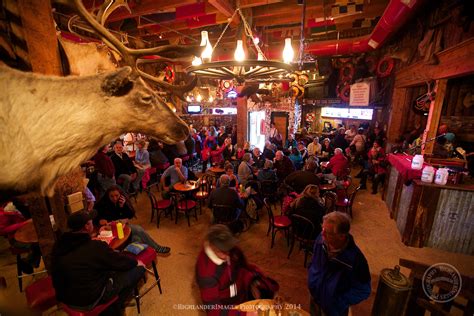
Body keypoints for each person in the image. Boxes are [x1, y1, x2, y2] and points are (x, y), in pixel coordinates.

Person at [51, 211, 146, 314]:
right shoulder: (94, 246)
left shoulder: (59, 245)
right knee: (138, 269)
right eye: (91, 222)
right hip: (88, 301)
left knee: (107, 267)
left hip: (66, 300)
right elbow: (120, 262)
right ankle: (118, 304)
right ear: (87, 226)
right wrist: (136, 262)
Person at [196, 225, 275, 315]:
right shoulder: (206, 274)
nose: (228, 254)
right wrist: (244, 314)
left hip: (241, 298)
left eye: (228, 248)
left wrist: (252, 281)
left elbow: (242, 265)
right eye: (223, 251)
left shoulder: (229, 249)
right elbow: (213, 310)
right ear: (213, 247)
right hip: (228, 308)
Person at [308, 211, 371, 316]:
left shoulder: (355, 260)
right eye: (322, 229)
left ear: (341, 236)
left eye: (327, 232)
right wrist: (312, 279)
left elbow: (364, 290)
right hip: (314, 297)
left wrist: (340, 301)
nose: (322, 234)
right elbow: (314, 260)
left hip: (333, 309)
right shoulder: (321, 239)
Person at [95, 186, 171, 254]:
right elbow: (94, 218)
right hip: (110, 231)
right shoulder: (102, 204)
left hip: (121, 227)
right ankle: (156, 248)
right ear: (108, 196)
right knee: (138, 234)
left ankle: (155, 248)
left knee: (138, 234)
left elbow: (130, 215)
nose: (114, 198)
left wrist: (123, 206)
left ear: (120, 195)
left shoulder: (122, 201)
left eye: (116, 195)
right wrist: (99, 220)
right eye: (111, 196)